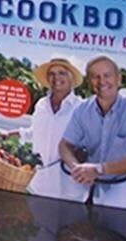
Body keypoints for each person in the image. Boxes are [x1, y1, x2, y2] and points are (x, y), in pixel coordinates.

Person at [58, 56, 126, 210]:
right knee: (67, 204)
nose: (102, 81)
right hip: (92, 175)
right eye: (95, 77)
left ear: (118, 79)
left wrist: (99, 169)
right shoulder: (82, 110)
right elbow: (65, 145)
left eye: (107, 75)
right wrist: (76, 168)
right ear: (90, 82)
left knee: (109, 210)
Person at [25, 57, 83, 200]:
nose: (56, 77)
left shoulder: (81, 108)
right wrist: (13, 133)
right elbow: (36, 132)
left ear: (71, 79)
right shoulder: (41, 104)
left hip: (69, 186)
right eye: (51, 73)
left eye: (62, 73)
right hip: (39, 183)